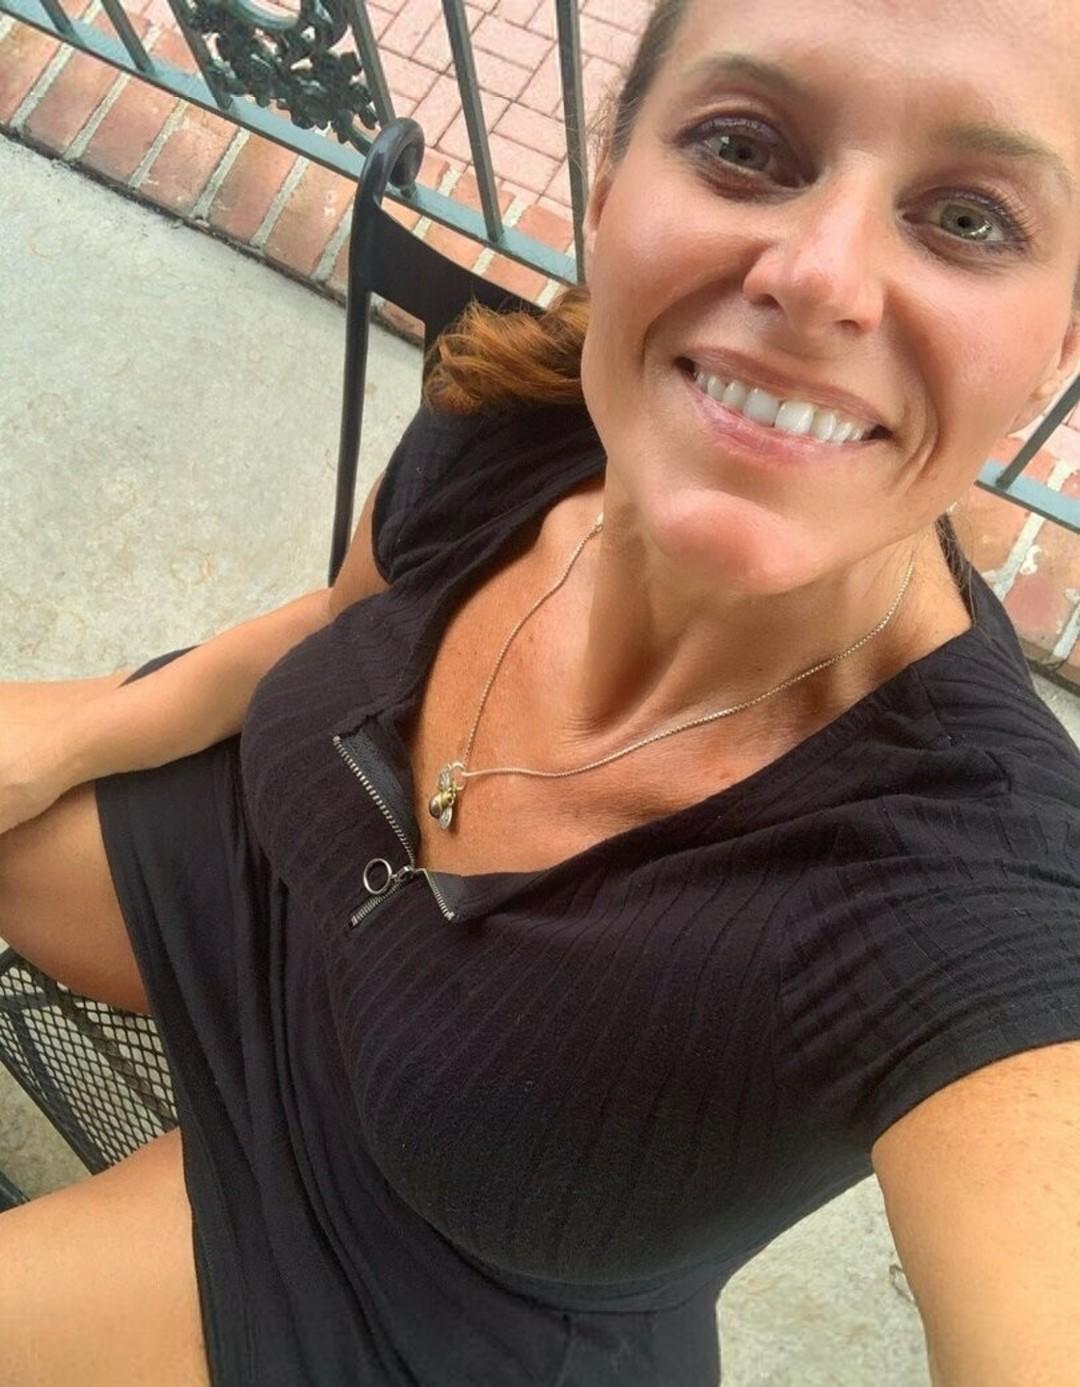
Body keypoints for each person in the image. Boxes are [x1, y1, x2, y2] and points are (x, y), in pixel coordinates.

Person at [1, 0, 1079, 1381]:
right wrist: (78, 731)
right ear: (613, 190)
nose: (821, 279)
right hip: (262, 899)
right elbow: (331, 621)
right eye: (745, 146)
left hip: (399, 1286)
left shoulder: (977, 887)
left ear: (1055, 351)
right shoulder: (524, 408)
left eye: (970, 220)